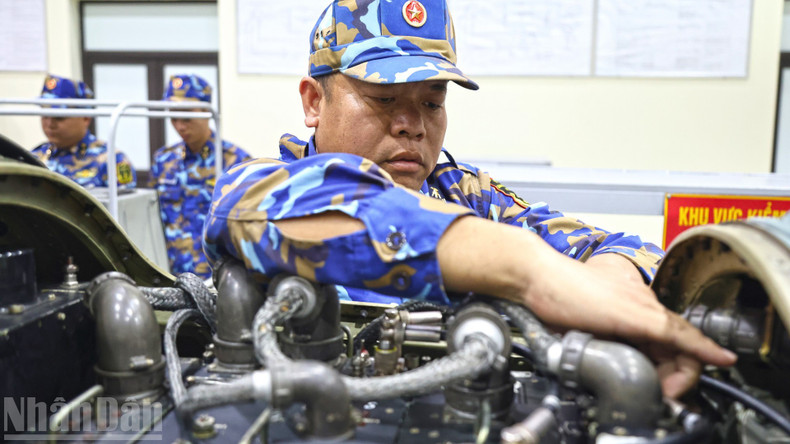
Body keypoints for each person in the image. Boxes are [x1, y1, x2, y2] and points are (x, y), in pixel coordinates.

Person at [203, 0, 736, 397]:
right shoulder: (266, 185)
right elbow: (249, 206)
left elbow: (624, 246)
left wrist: (605, 287)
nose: (412, 126)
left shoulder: (465, 194)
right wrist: (530, 270)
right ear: (314, 101)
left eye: (432, 103)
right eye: (384, 99)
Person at [149, 74, 252, 279]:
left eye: (187, 118)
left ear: (206, 112)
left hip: (218, 278)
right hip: (170, 275)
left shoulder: (235, 162)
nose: (180, 126)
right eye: (174, 118)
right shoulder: (164, 160)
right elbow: (152, 220)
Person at [32, 74, 137, 189]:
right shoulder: (35, 157)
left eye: (59, 117)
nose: (50, 124)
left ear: (86, 118)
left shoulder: (112, 161)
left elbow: (126, 199)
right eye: (45, 116)